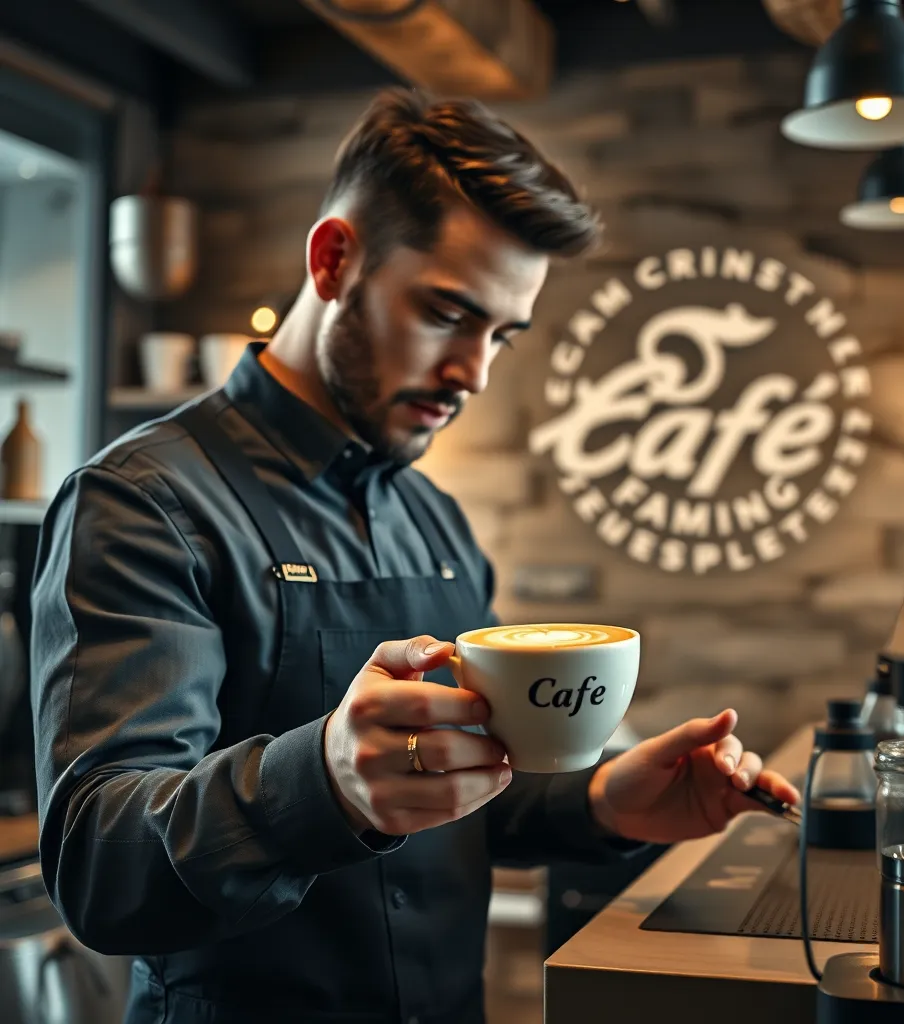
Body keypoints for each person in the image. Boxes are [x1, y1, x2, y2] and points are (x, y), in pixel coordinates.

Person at [30, 89, 799, 1024]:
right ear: (334, 259)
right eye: (448, 313)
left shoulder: (437, 523)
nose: (473, 371)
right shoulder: (145, 499)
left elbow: (462, 781)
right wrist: (325, 781)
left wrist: (600, 802)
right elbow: (101, 864)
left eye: (500, 335)